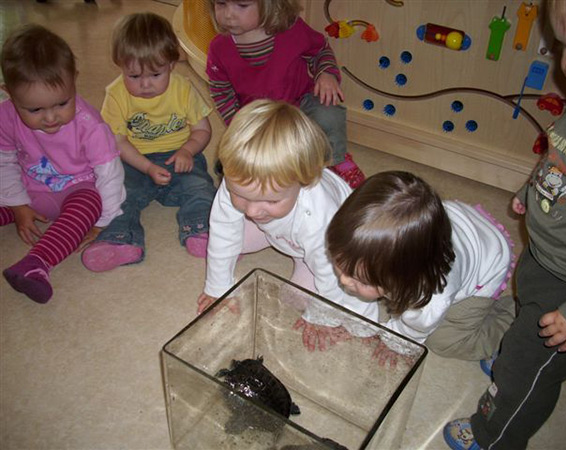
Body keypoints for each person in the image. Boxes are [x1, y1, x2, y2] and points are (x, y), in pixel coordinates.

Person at [443, 1, 566, 448]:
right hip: (547, 256)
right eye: (565, 48)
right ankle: (516, 351)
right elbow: (560, 157)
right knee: (523, 309)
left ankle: (492, 438)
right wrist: (531, 190)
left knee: (522, 376)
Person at [197, 99, 378, 348]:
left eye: (270, 200)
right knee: (226, 238)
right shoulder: (239, 181)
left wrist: (322, 318)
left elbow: (335, 276)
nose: (251, 210)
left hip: (321, 253)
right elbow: (223, 230)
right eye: (240, 195)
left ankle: (301, 264)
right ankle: (274, 228)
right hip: (280, 232)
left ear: (304, 182)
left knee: (294, 299)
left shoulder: (320, 219)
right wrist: (217, 287)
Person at [326, 171, 517, 363]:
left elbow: (415, 329)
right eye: (339, 263)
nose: (343, 279)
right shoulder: (409, 245)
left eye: (360, 279)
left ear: (404, 280)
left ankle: (514, 312)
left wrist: (396, 342)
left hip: (489, 265)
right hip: (459, 225)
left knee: (443, 341)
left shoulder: (429, 299)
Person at [0, 24, 125, 303]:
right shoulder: (5, 116)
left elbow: (110, 174)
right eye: (34, 109)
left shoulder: (89, 125)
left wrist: (101, 222)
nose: (50, 118)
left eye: (61, 103)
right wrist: (18, 205)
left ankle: (37, 263)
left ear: (74, 80)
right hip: (28, 190)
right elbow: (4, 160)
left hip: (76, 191)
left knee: (91, 203)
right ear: (8, 93)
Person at [82, 13, 217, 271]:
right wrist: (146, 167)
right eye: (133, 76)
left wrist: (187, 151)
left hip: (179, 155)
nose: (145, 85)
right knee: (116, 195)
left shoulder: (183, 88)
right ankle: (120, 240)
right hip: (133, 160)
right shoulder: (116, 94)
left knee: (200, 188)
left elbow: (202, 130)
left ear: (171, 64)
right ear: (120, 66)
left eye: (155, 74)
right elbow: (118, 142)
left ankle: (202, 231)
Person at [205, 0, 365, 189]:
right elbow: (221, 92)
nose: (228, 14)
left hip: (301, 105)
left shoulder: (292, 29)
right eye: (221, 4)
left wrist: (326, 73)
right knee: (241, 161)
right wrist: (238, 125)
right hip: (258, 116)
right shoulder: (218, 48)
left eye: (242, 5)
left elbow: (320, 51)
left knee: (328, 112)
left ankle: (336, 159)